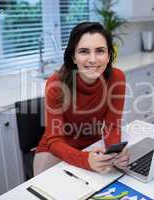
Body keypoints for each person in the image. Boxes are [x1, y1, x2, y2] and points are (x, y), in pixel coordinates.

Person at [34, 22, 129, 175]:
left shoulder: (117, 78)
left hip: (95, 145)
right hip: (58, 147)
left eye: (100, 51)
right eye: (84, 51)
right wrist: (86, 160)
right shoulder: (55, 84)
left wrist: (116, 152)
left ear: (109, 56)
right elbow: (54, 140)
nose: (93, 59)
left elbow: (112, 126)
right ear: (73, 57)